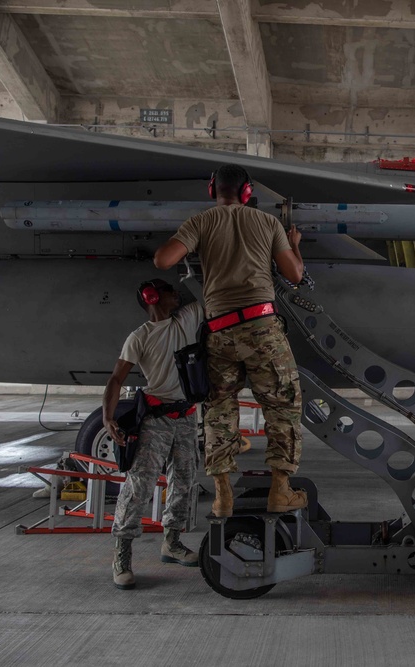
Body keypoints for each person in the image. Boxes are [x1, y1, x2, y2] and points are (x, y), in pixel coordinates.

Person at [153, 163, 307, 518]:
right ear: (248, 193)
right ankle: (280, 491)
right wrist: (295, 245)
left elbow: (163, 260)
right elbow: (294, 275)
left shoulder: (201, 222)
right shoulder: (268, 223)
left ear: (213, 191)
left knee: (219, 411)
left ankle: (223, 497)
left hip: (219, 330)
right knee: (283, 406)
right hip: (261, 327)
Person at [103, 279, 203, 590]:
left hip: (186, 416)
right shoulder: (139, 337)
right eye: (172, 292)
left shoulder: (185, 320)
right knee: (139, 486)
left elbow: (209, 295)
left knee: (185, 481)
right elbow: (116, 379)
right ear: (152, 297)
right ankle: (122, 555)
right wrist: (108, 417)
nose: (178, 296)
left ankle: (172, 543)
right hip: (157, 420)